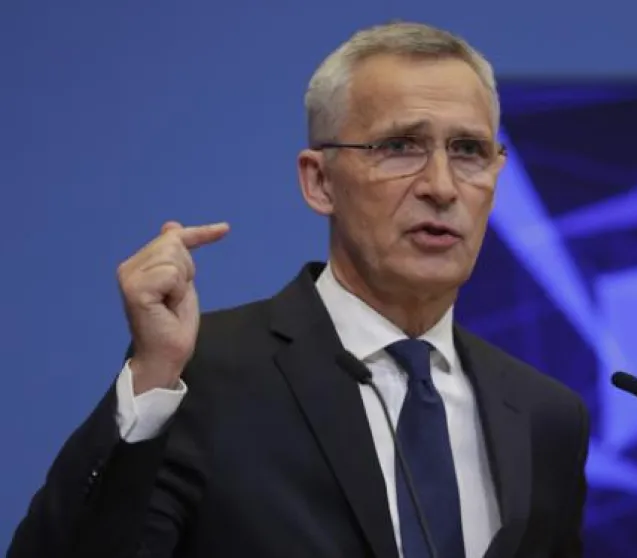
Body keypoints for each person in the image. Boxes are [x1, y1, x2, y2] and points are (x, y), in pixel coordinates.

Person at [6, 21, 590, 558]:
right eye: (401, 147)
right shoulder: (202, 375)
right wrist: (153, 377)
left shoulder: (545, 417)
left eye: (469, 150)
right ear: (319, 182)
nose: (441, 185)